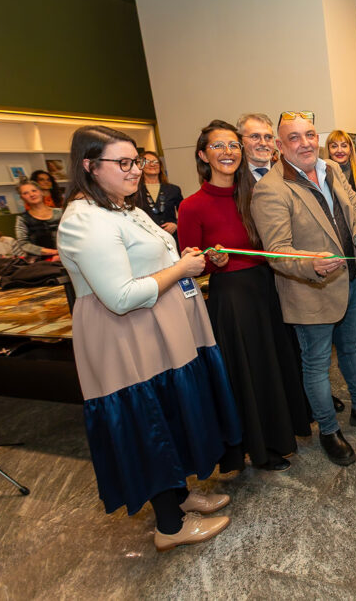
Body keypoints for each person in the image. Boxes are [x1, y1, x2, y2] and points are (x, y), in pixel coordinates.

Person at [57, 125, 242, 552]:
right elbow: (120, 296)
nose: (135, 170)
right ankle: (170, 525)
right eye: (122, 163)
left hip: (158, 330)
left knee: (170, 413)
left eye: (136, 161)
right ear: (89, 166)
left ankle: (178, 495)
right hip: (124, 337)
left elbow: (157, 257)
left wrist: (188, 258)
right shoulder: (84, 220)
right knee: (149, 424)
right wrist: (181, 270)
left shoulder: (124, 207)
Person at [253, 110, 356, 467]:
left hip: (348, 280)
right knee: (317, 364)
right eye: (295, 137)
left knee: (351, 351)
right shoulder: (269, 189)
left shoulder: (331, 169)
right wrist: (310, 263)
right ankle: (330, 431)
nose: (305, 143)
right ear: (279, 145)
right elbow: (277, 251)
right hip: (309, 289)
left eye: (310, 134)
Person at [178, 119, 311, 472]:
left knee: (278, 363)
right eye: (218, 146)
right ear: (203, 155)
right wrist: (212, 260)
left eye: (233, 145)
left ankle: (286, 433)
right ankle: (261, 447)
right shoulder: (191, 206)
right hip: (234, 300)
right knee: (252, 375)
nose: (227, 152)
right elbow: (191, 263)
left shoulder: (256, 194)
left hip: (268, 288)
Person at [134, 151, 183, 242]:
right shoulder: (134, 191)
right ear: (140, 165)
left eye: (156, 162)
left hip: (172, 238)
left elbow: (185, 215)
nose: (152, 164)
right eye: (148, 162)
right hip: (147, 239)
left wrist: (176, 224)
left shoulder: (173, 189)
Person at [15, 181, 62, 260]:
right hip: (41, 262)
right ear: (21, 198)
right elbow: (23, 244)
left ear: (41, 192)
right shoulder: (22, 219)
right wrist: (53, 252)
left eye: (34, 191)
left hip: (69, 256)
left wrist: (62, 254)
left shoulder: (61, 212)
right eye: (25, 193)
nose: (32, 195)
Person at [237, 113, 277, 181]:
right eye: (255, 136)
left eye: (268, 137)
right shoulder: (232, 177)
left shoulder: (286, 173)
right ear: (241, 141)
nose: (263, 143)